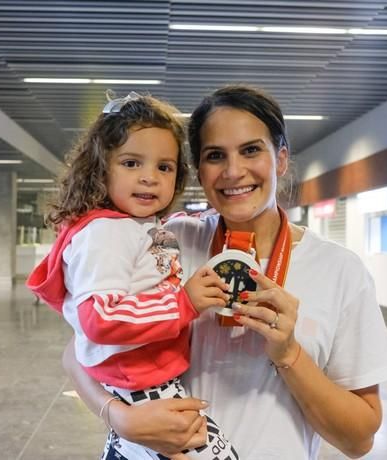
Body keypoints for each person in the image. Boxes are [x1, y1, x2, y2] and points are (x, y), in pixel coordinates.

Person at [62, 85, 387, 459]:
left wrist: (288, 353)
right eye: (215, 155)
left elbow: (359, 440)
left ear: (281, 158)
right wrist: (121, 418)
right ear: (198, 170)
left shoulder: (339, 270)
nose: (234, 171)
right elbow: (79, 350)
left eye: (251, 150)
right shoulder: (165, 241)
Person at [27, 92, 238, 460]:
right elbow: (99, 317)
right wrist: (184, 302)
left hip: (145, 380)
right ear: (101, 168)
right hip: (142, 383)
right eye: (130, 162)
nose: (149, 178)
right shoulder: (106, 233)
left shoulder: (138, 227)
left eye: (164, 167)